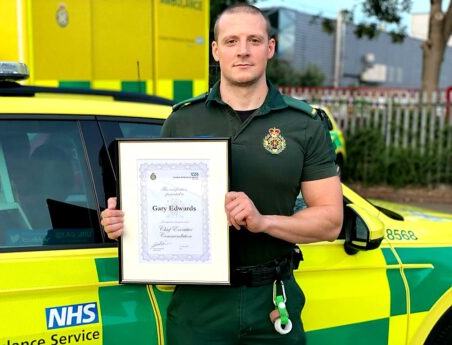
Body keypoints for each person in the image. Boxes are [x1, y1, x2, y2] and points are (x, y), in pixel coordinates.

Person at [101, 3, 343, 344]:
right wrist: (123, 221)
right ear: (216, 50)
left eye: (254, 40)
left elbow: (331, 221)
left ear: (270, 48)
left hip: (272, 299)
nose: (242, 51)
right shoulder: (182, 121)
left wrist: (264, 222)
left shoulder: (303, 124)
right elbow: (159, 205)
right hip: (198, 306)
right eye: (231, 41)